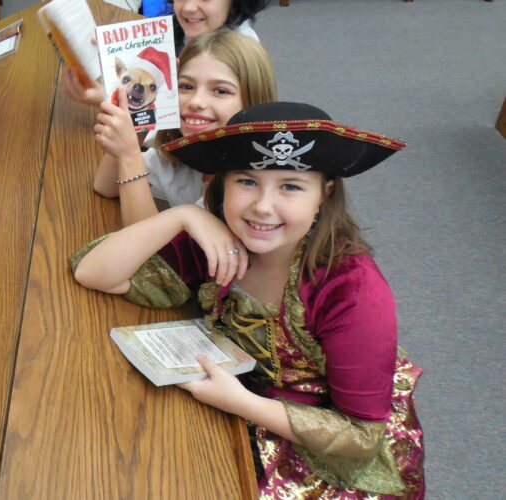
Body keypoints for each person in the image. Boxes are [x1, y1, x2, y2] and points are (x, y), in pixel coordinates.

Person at [71, 102, 425, 498]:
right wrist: (183, 216)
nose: (262, 206)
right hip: (234, 397)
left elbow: (361, 436)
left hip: (322, 444)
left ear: (324, 195)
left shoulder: (352, 290)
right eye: (246, 181)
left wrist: (241, 403)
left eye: (291, 186)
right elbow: (94, 272)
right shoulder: (219, 239)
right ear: (222, 185)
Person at [92, 30, 276, 227]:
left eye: (221, 91)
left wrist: (129, 155)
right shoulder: (183, 154)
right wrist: (140, 122)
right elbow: (106, 186)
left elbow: (150, 242)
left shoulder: (251, 182)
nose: (196, 102)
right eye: (186, 86)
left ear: (253, 101)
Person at [63, 0, 270, 108]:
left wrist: (107, 99)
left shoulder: (234, 56)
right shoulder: (185, 29)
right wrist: (114, 45)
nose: (188, 7)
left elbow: (181, 127)